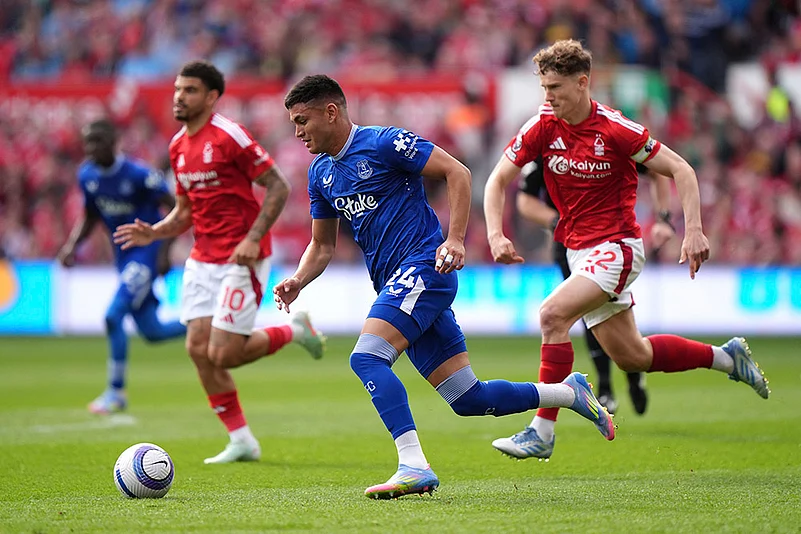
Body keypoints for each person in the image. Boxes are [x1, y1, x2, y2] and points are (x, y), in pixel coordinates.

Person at [275, 74, 615, 500]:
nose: (298, 132)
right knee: (467, 397)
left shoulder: (382, 143)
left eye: (302, 120)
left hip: (423, 267)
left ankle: (413, 464)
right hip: (396, 283)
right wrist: (298, 280)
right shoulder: (320, 173)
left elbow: (457, 172)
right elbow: (321, 245)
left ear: (331, 111)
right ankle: (569, 393)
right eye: (293, 123)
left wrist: (454, 239)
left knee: (367, 358)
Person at [483, 39, 770, 461]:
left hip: (617, 248)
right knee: (633, 356)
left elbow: (681, 170)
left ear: (583, 83)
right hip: (580, 252)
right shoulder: (542, 125)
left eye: (556, 87)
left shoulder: (616, 129)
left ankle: (542, 430)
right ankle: (727, 358)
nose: (548, 97)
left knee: (551, 315)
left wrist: (693, 231)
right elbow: (496, 180)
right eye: (544, 88)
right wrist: (494, 234)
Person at [113, 60, 326, 464]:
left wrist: (252, 238)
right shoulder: (177, 147)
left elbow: (277, 185)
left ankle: (294, 331)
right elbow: (184, 211)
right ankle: (242, 440)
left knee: (224, 354)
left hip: (241, 258)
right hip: (202, 258)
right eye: (177, 89)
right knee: (198, 349)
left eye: (190, 90)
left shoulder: (229, 136)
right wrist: (155, 232)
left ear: (211, 97)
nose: (180, 96)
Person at [516, 159, 676, 415]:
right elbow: (525, 199)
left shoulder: (605, 138)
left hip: (608, 241)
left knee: (613, 312)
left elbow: (659, 169)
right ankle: (605, 385)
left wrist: (663, 217)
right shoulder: (543, 147)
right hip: (568, 244)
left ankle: (632, 372)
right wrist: (555, 219)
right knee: (583, 312)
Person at [57, 119, 187, 414]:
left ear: (114, 141)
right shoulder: (87, 175)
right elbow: (90, 215)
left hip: (146, 253)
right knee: (152, 332)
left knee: (113, 316)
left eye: (98, 141)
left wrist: (165, 251)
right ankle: (207, 321)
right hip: (123, 258)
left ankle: (115, 392)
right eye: (87, 142)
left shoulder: (140, 175)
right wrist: (71, 246)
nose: (91, 148)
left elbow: (178, 209)